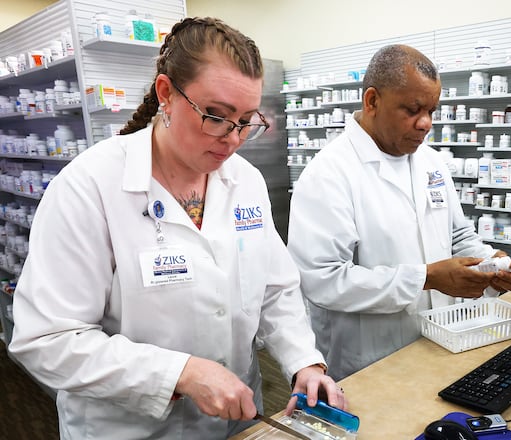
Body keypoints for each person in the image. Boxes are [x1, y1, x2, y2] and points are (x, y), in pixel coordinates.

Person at [9, 17, 345, 439]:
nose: (233, 138)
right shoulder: (90, 186)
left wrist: (304, 362)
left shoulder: (245, 181)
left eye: (246, 120)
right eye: (216, 116)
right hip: (131, 430)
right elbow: (47, 339)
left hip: (236, 421)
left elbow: (275, 289)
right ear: (166, 93)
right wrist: (178, 372)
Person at [287, 44, 511, 380]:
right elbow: (323, 281)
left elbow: (457, 235)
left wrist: (491, 263)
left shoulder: (431, 161)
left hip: (439, 341)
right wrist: (425, 278)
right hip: (369, 361)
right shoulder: (328, 174)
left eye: (431, 111)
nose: (425, 124)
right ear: (372, 101)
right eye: (412, 110)